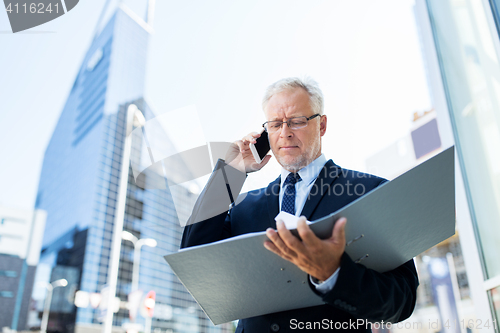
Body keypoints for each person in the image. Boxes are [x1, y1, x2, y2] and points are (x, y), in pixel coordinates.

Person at [181, 77, 419, 333]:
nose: (285, 133)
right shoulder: (244, 206)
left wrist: (334, 273)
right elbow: (193, 254)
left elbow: (402, 300)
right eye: (275, 124)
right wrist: (230, 174)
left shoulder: (370, 192)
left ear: (322, 125)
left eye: (296, 121)